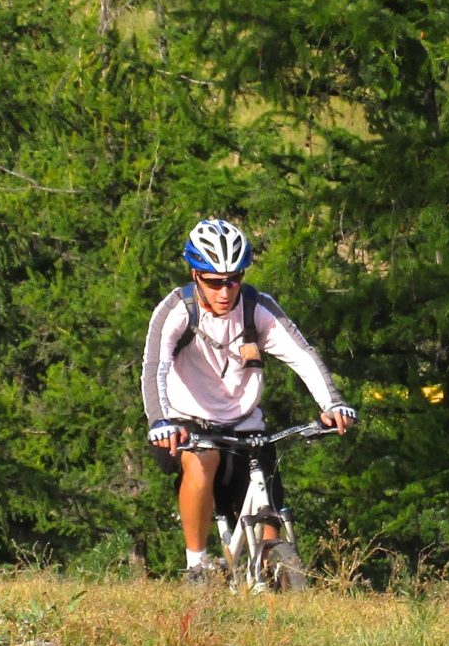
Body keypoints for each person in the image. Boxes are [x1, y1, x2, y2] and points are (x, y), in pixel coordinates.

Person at [140, 218, 355, 582]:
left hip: (244, 424)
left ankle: (275, 583)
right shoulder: (177, 310)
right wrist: (161, 421)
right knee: (201, 462)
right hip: (187, 423)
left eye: (234, 279)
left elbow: (302, 355)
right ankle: (197, 566)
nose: (226, 291)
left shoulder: (258, 308)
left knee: (272, 521)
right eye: (214, 281)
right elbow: (154, 366)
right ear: (195, 274)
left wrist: (331, 404)